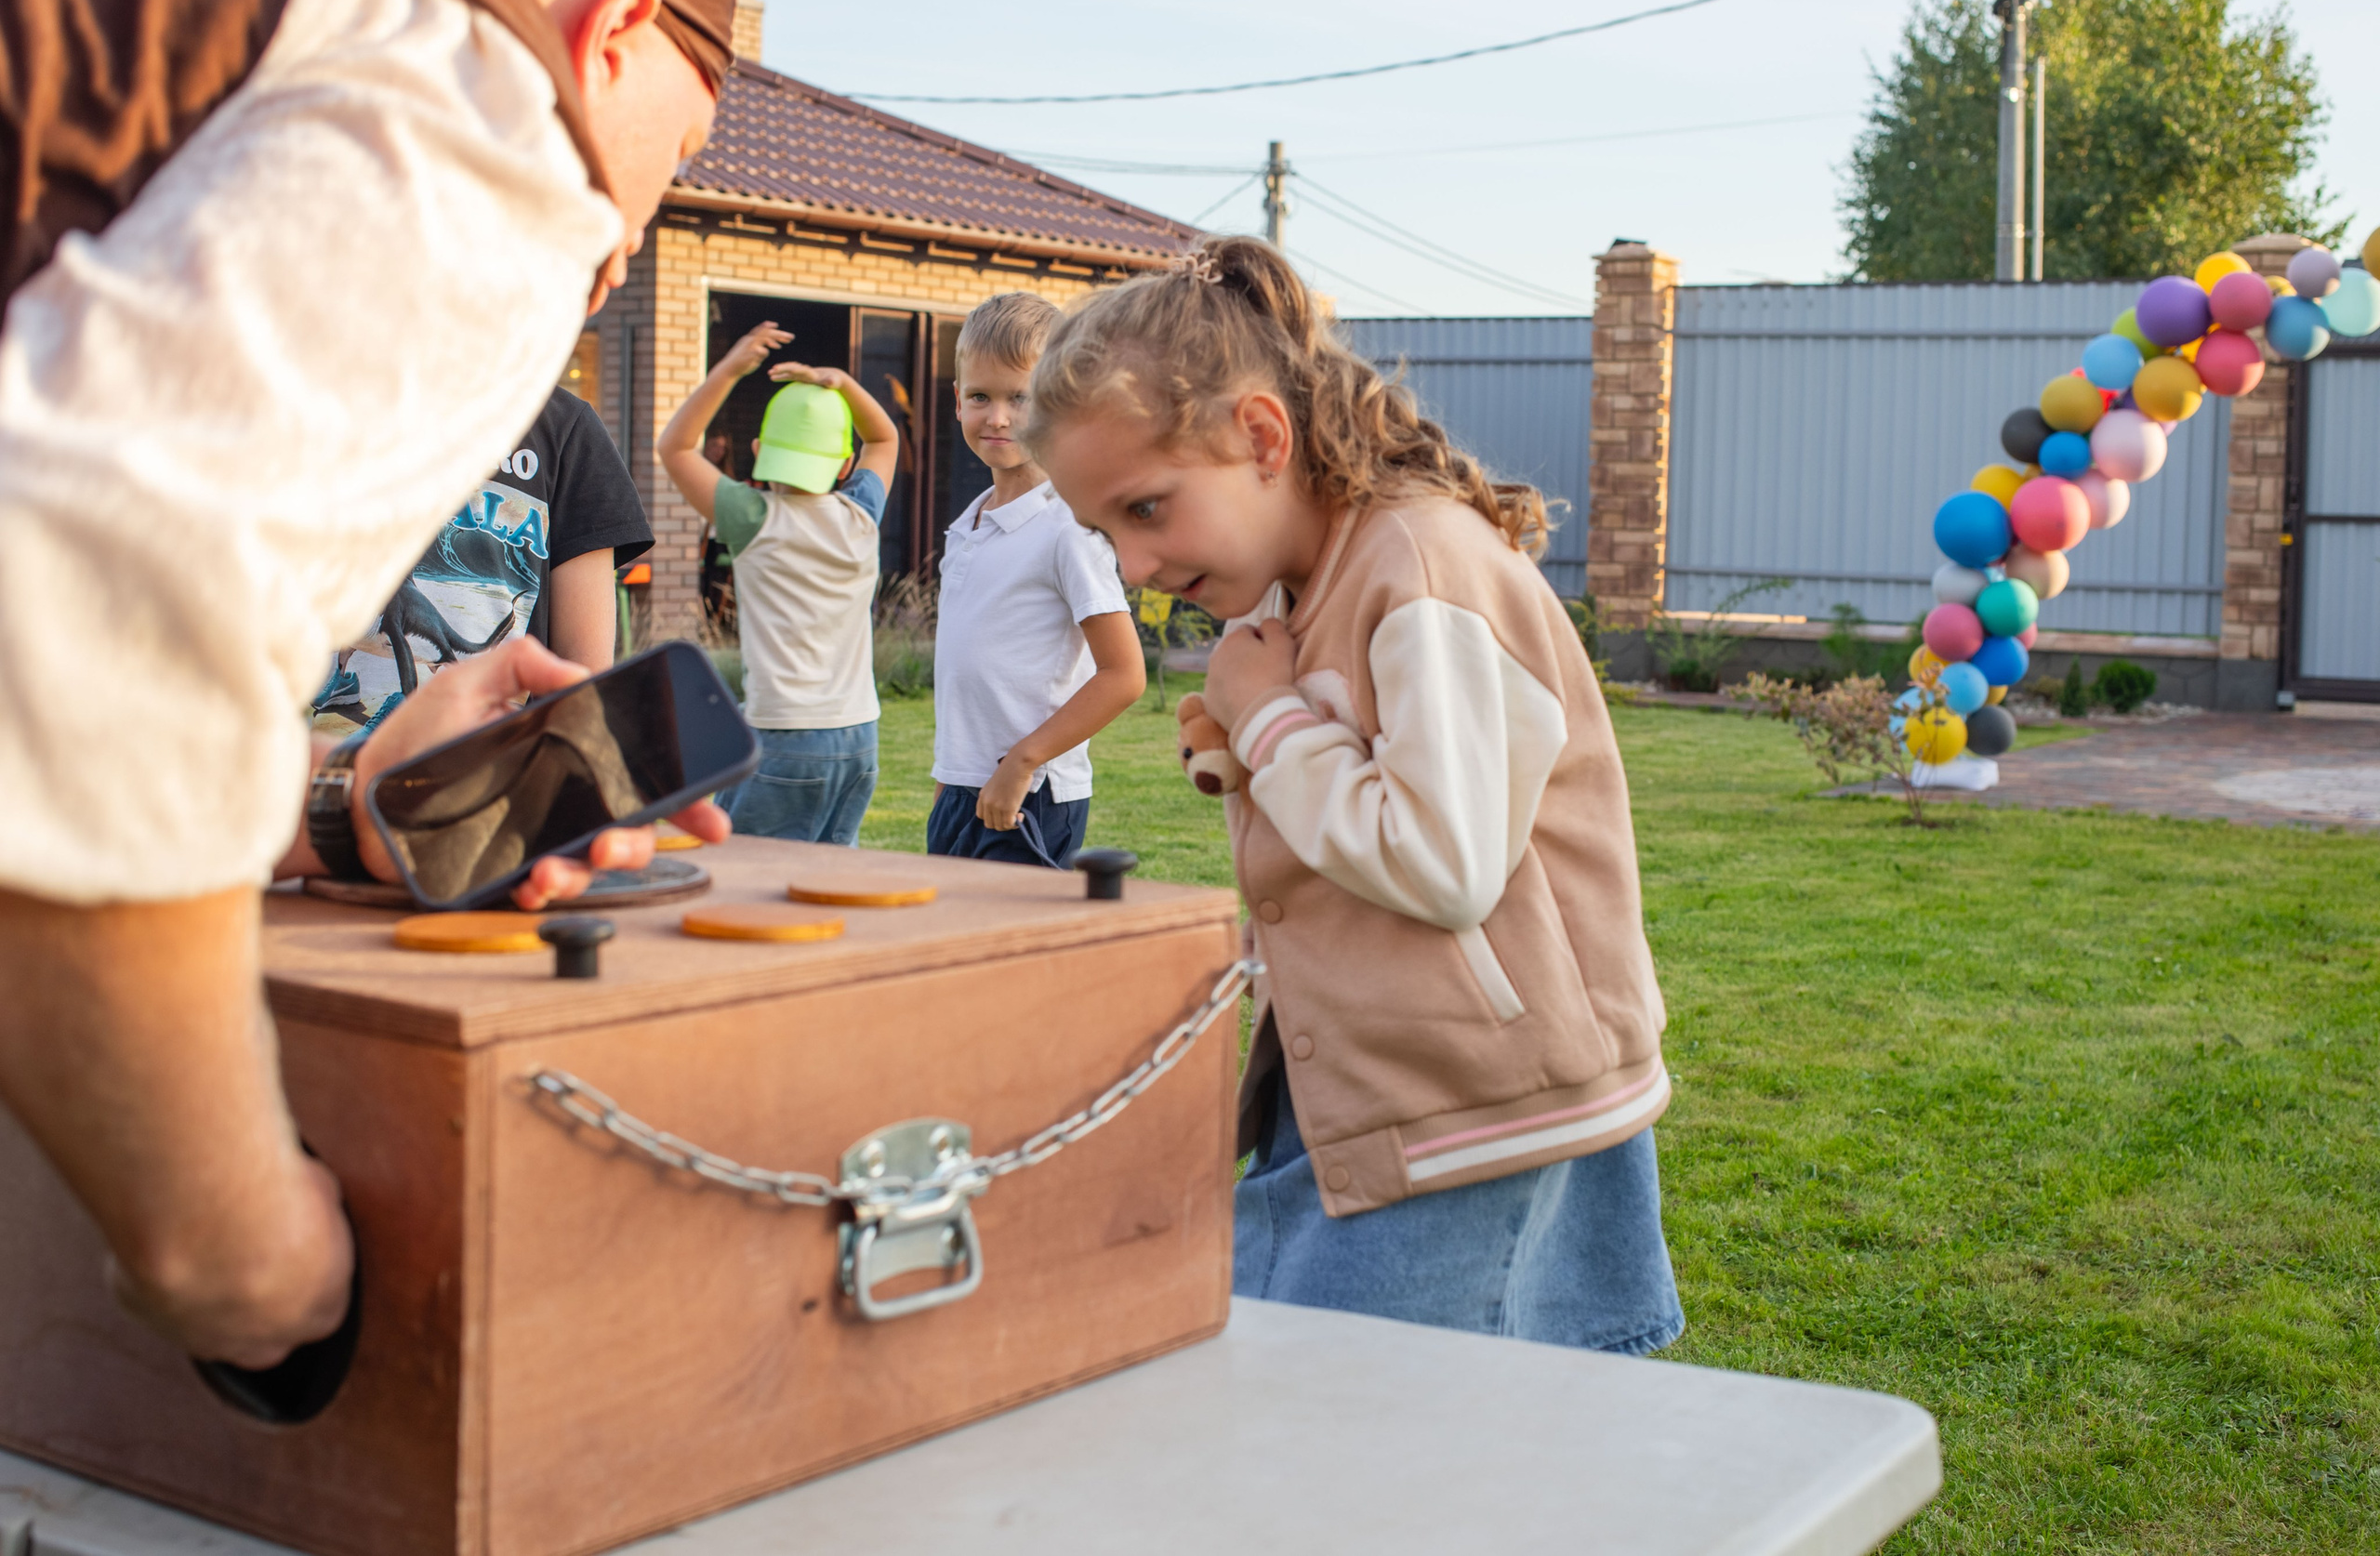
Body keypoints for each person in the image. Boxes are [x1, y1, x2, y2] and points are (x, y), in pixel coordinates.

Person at [0, 0, 737, 1368]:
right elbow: (81, 639)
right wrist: (240, 1258)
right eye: (681, 156)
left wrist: (340, 803)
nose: (633, 236)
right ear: (617, 27)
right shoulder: (482, 99)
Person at [1025, 237, 1684, 1353]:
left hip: (1476, 1107)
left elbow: (1444, 862)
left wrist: (1268, 721)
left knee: (1362, 1421)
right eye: (1104, 532)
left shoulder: (1419, 568)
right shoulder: (1298, 587)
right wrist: (1257, 731)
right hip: (1383, 1085)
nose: (1130, 567)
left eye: (1146, 509)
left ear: (1260, 437)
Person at [659, 323, 900, 845]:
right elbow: (884, 437)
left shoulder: (752, 517)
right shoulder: (861, 514)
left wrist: (731, 368)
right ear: (845, 464)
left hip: (786, 734)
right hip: (860, 735)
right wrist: (841, 383)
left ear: (758, 448)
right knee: (829, 878)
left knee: (750, 873)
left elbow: (676, 448)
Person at [927, 294, 1144, 868]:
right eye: (981, 397)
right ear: (958, 400)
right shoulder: (968, 527)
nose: (997, 417)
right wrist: (951, 777)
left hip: (1031, 794)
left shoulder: (1069, 529)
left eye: (1020, 398)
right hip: (962, 790)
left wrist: (1023, 762)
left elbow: (1124, 675)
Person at [314, 384, 654, 729]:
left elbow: (583, 690)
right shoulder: (309, 395)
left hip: (489, 753)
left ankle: (404, 702)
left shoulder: (561, 426)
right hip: (310, 757)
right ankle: (344, 687)